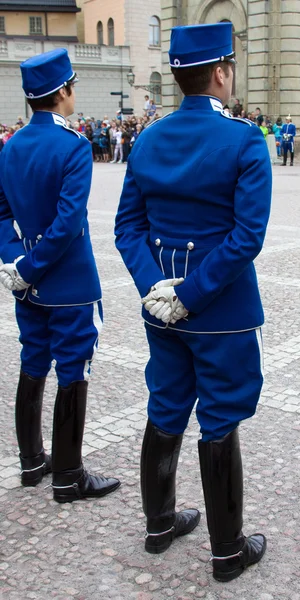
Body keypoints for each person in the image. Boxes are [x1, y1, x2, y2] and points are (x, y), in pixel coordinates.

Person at [115, 22, 272, 582]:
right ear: (222, 71)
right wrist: (194, 294)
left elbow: (127, 228)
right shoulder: (245, 139)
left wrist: (156, 287)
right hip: (220, 312)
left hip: (162, 310)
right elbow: (246, 237)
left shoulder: (150, 136)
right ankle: (227, 553)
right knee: (221, 419)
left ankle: (160, 525)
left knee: (166, 405)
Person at [0, 48, 120, 503]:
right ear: (62, 92)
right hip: (68, 282)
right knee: (73, 371)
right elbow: (69, 224)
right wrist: (31, 266)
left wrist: (17, 262)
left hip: (26, 284)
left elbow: (0, 214)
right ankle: (69, 477)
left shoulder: (10, 147)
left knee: (32, 363)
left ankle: (32, 463)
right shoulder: (72, 146)